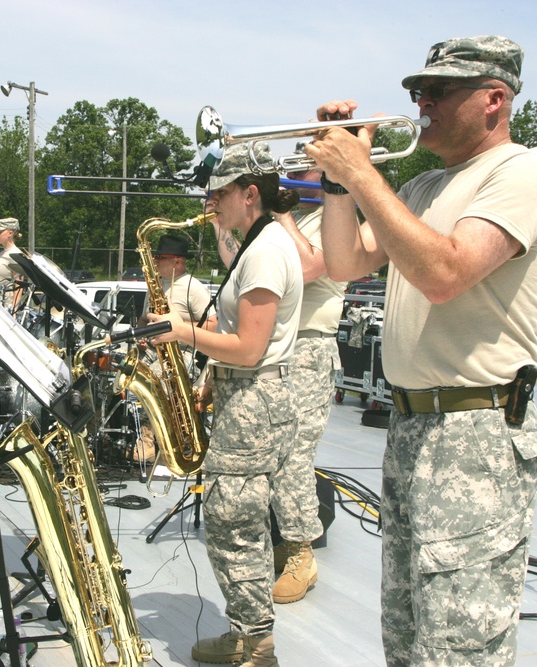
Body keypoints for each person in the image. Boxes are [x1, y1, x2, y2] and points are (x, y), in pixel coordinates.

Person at [304, 35, 537, 665]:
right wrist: (339, 184)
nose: (422, 102)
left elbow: (445, 274)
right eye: (418, 90)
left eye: (440, 91)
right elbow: (341, 262)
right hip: (412, 425)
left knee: (460, 643)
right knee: (409, 630)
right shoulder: (422, 188)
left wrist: (364, 172)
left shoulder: (520, 174)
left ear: (494, 100)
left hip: (475, 432)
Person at [147, 142, 303, 667]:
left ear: (249, 194)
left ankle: (256, 645)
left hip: (255, 400)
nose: (210, 201)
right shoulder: (259, 244)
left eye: (220, 193)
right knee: (236, 520)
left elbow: (252, 347)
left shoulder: (265, 251)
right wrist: (213, 379)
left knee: (232, 522)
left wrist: (181, 332)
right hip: (246, 393)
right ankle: (246, 634)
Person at [207, 158, 347, 626]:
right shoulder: (269, 231)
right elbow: (238, 268)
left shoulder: (331, 217)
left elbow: (309, 267)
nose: (298, 173)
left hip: (307, 347)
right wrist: (219, 223)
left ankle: (301, 553)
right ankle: (280, 544)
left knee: (295, 458)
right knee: (276, 462)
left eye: (307, 167)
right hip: (273, 347)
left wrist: (275, 207)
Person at [137, 233, 214, 373]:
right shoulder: (154, 286)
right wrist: (141, 337)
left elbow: (213, 325)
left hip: (184, 352)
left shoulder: (194, 287)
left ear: (177, 261)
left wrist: (177, 327)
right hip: (153, 349)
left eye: (160, 257)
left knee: (156, 378)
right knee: (122, 365)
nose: (155, 260)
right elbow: (143, 320)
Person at [0, 217, 24, 307]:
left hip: (7, 304)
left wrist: (14, 310)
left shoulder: (15, 254)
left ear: (10, 233)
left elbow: (19, 285)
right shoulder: (1, 254)